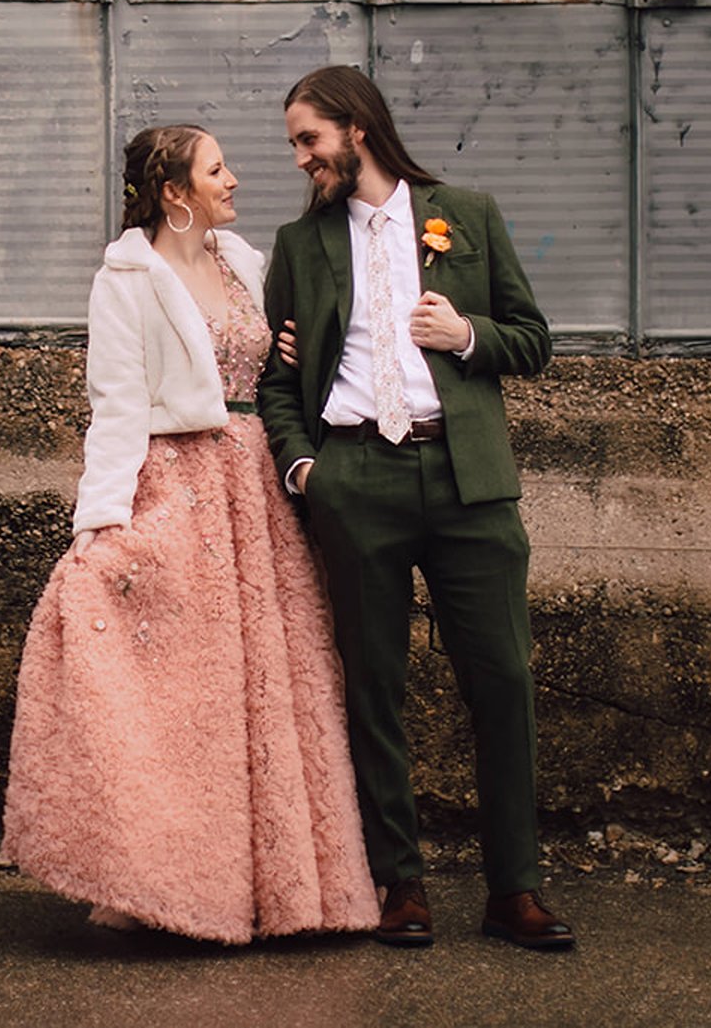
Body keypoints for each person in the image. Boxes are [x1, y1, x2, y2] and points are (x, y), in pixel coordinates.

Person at [3, 125, 378, 944]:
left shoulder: (244, 261)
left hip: (259, 483)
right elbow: (115, 405)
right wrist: (99, 520)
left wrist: (286, 354)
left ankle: (284, 892)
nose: (234, 179)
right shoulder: (126, 278)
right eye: (216, 170)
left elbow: (276, 367)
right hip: (177, 483)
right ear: (176, 192)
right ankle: (173, 882)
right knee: (192, 697)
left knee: (273, 685)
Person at [255, 64, 574, 952]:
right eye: (293, 144)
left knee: (504, 680)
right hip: (357, 478)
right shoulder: (299, 242)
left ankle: (516, 889)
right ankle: (399, 883)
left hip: (469, 478)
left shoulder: (463, 214)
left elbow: (534, 338)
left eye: (308, 139)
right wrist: (306, 468)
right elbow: (277, 382)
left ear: (356, 129)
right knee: (373, 688)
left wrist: (465, 335)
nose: (300, 159)